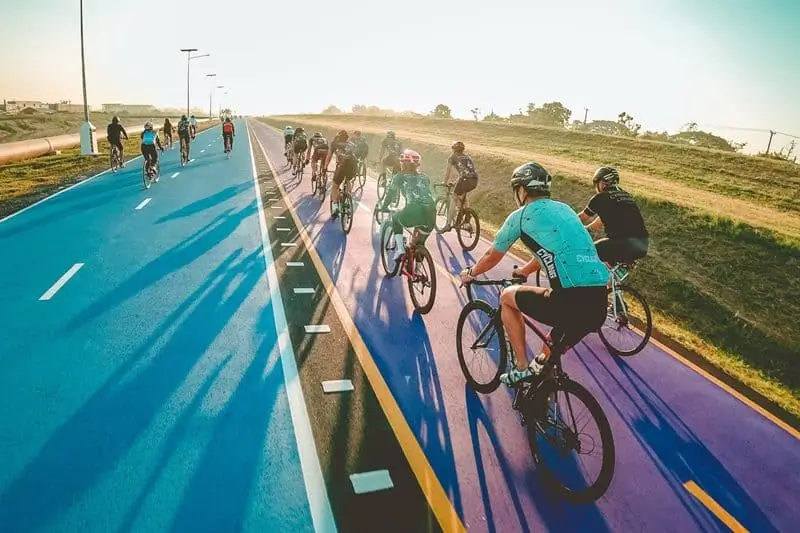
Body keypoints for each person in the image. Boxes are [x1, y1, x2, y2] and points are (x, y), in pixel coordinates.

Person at [458, 162, 609, 385]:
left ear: (522, 190)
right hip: (598, 304)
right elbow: (555, 249)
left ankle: (520, 367)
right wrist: (525, 270)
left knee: (507, 296)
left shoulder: (520, 216)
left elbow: (492, 255)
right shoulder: (565, 209)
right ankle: (539, 397)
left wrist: (470, 272)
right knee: (547, 353)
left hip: (568, 301)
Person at [578, 166, 649, 273]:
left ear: (601, 183)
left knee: (587, 254)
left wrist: (566, 225)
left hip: (622, 243)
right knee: (610, 271)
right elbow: (602, 219)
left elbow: (582, 217)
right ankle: (611, 288)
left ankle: (590, 285)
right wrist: (588, 229)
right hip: (642, 245)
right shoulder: (626, 195)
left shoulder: (600, 198)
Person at [379, 149, 436, 262]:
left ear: (404, 163)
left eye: (402, 162)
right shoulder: (425, 177)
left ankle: (400, 249)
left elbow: (391, 194)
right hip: (431, 213)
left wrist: (384, 207)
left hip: (413, 211)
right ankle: (419, 268)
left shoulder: (399, 177)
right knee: (419, 243)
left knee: (395, 217)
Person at [443, 140, 479, 229]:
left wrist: (445, 182)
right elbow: (464, 172)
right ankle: (467, 216)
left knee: (454, 198)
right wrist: (455, 183)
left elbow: (448, 172)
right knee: (464, 195)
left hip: (464, 180)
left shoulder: (452, 157)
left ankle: (447, 224)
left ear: (453, 149)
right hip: (474, 180)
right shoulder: (467, 157)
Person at [325, 130, 358, 218]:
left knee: (335, 186)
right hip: (353, 165)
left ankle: (335, 206)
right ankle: (348, 199)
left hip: (342, 165)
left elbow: (329, 156)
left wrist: (325, 167)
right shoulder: (352, 144)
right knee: (348, 180)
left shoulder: (334, 144)